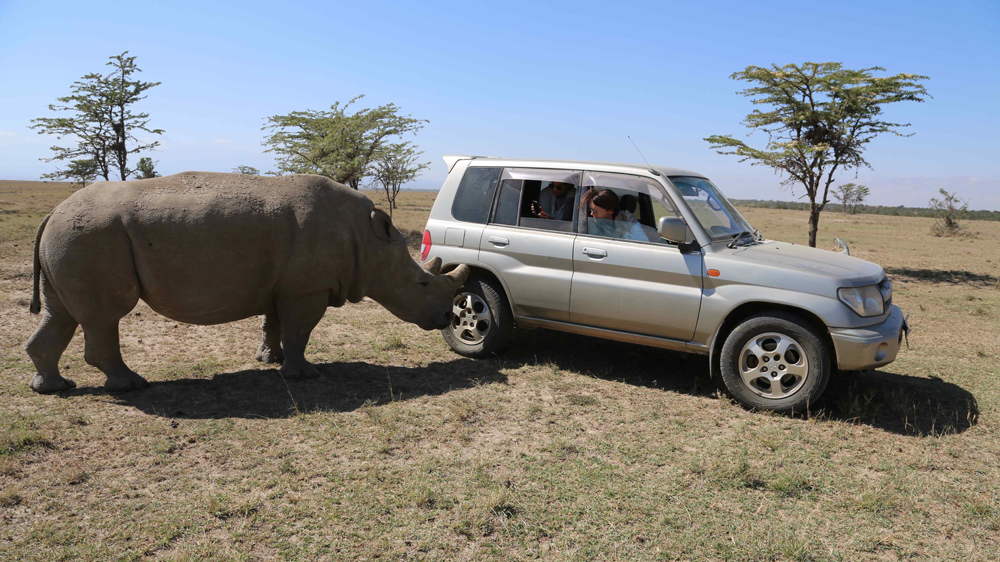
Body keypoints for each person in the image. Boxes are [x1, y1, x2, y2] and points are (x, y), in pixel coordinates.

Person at [580, 188, 646, 240]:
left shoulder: (627, 218)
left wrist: (623, 232)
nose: (592, 214)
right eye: (591, 210)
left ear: (610, 211)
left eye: (596, 211)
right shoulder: (591, 224)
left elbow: (643, 240)